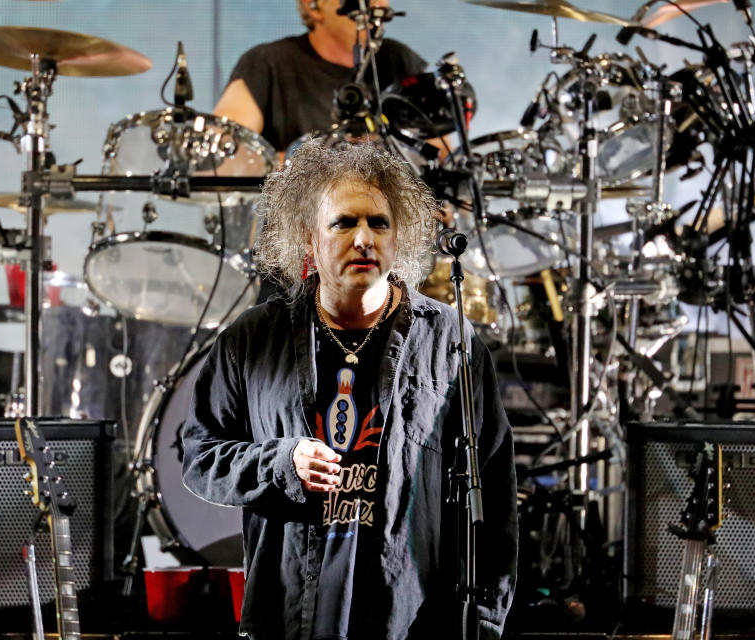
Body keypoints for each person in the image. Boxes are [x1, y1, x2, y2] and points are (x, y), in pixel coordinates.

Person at [181, 139, 517, 640]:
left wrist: (483, 624)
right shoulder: (251, 339)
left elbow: (493, 493)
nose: (364, 239)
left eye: (378, 223)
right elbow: (199, 458)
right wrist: (281, 462)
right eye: (344, 223)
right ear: (308, 239)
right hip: (290, 611)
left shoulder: (450, 340)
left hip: (407, 618)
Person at [212, 0, 427, 152]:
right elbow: (225, 151)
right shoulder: (266, 62)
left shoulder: (399, 60)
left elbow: (439, 152)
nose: (378, 5)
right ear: (313, 5)